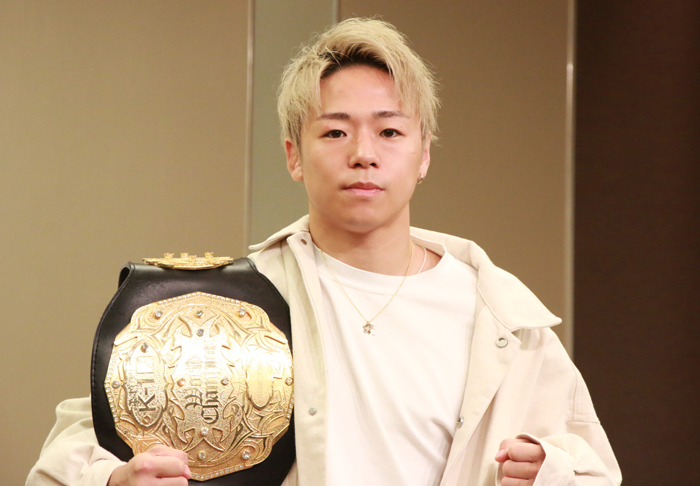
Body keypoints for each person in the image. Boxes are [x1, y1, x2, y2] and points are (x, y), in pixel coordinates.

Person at [27, 18, 621, 486]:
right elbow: (64, 458)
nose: (363, 153)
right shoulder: (228, 305)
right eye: (335, 131)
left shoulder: (502, 317)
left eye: (390, 131)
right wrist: (115, 479)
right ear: (294, 155)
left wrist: (550, 470)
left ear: (424, 154)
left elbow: (596, 470)